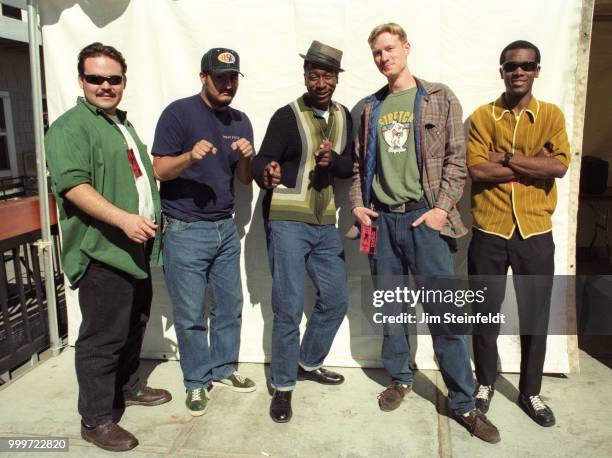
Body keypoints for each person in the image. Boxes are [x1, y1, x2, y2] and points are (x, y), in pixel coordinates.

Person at [349, 23, 500, 443]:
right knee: (393, 311)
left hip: (424, 224)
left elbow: (457, 159)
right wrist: (359, 205)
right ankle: (400, 377)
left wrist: (439, 210)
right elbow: (361, 166)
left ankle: (464, 403)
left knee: (445, 316)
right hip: (383, 223)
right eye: (377, 52)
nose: (384, 57)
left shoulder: (439, 97)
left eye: (390, 49)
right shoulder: (368, 108)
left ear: (406, 48)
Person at [45, 42, 171, 452]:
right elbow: (73, 185)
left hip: (133, 248)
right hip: (102, 250)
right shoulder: (70, 127)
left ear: (123, 82)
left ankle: (128, 386)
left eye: (112, 79)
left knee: (133, 325)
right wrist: (124, 219)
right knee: (102, 338)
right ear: (81, 80)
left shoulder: (119, 123)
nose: (105, 85)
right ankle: (96, 419)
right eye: (95, 78)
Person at [467, 40, 570, 427]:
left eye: (527, 65)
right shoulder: (482, 117)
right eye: (511, 65)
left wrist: (506, 159)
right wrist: (534, 163)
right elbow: (477, 171)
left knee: (535, 316)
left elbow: (558, 168)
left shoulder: (552, 116)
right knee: (484, 314)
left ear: (537, 70)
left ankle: (530, 391)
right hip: (489, 230)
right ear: (502, 71)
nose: (519, 71)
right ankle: (485, 383)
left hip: (535, 232)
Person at [251, 40, 353, 423]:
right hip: (288, 220)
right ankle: (283, 386)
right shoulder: (286, 115)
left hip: (325, 222)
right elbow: (264, 157)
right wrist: (268, 171)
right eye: (314, 74)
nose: (320, 82)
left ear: (337, 79)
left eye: (327, 75)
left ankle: (307, 362)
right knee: (289, 308)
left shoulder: (345, 116)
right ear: (305, 76)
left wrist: (335, 160)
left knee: (337, 298)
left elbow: (349, 168)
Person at [152, 47, 256, 417]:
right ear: (203, 78)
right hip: (185, 229)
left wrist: (246, 156)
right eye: (219, 77)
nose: (227, 84)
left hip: (225, 228)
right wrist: (190, 157)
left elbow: (244, 179)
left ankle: (224, 368)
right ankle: (197, 382)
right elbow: (160, 170)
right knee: (191, 312)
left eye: (232, 78)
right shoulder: (178, 113)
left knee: (230, 305)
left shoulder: (241, 121)